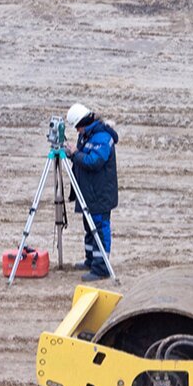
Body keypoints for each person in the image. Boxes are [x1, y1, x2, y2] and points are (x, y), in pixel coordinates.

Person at [65, 103, 119, 281]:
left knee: (99, 229)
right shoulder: (88, 134)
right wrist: (74, 152)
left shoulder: (102, 137)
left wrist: (75, 154)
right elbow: (84, 155)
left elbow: (94, 161)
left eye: (78, 127)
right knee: (89, 228)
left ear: (83, 122)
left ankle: (101, 267)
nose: (78, 131)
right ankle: (91, 260)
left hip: (100, 194)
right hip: (89, 193)